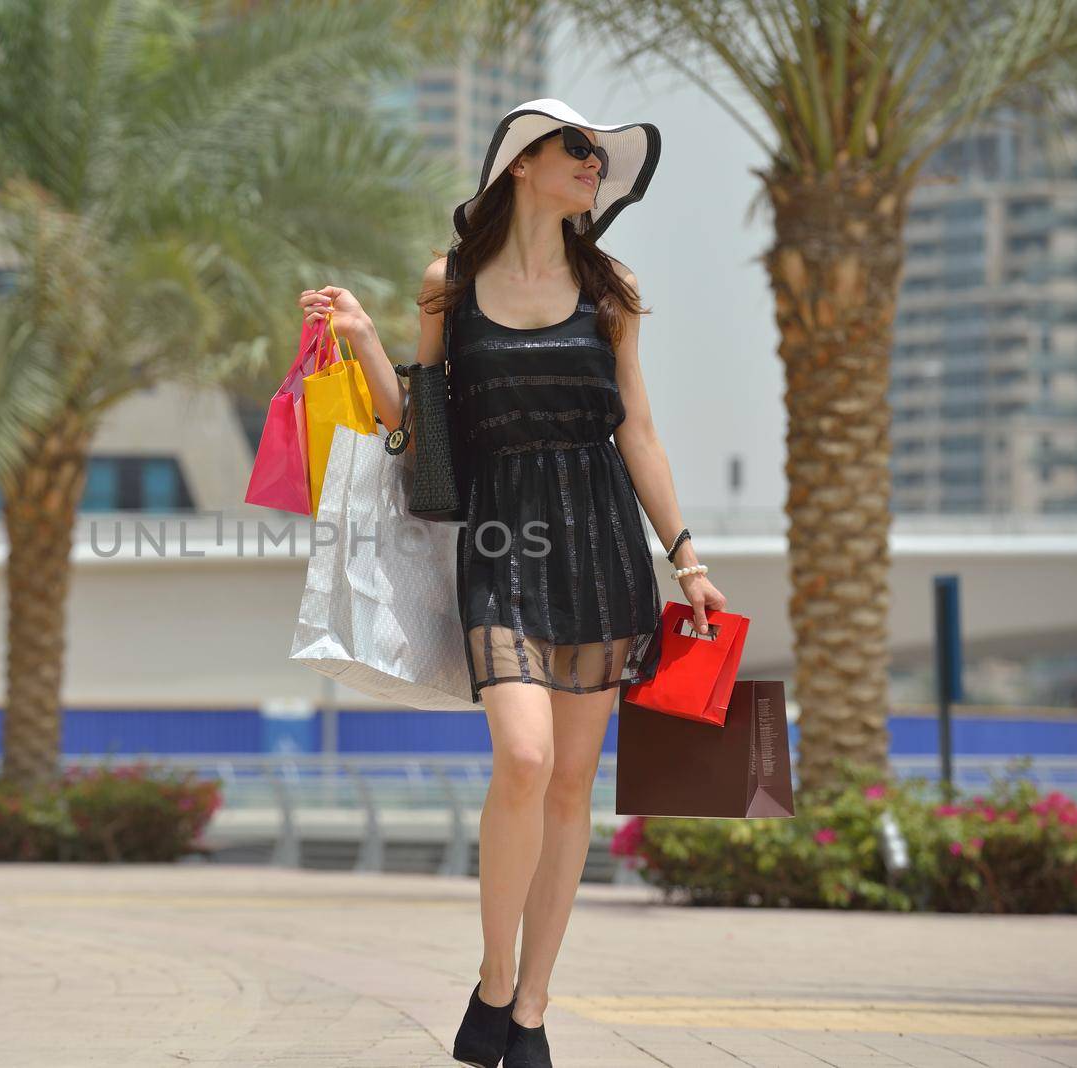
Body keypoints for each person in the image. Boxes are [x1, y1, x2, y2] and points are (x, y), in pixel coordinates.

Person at [300, 99, 724, 1067]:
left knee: (572, 783)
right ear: (522, 165)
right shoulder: (448, 281)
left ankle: (528, 1010)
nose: (591, 168)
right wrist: (366, 338)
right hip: (501, 541)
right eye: (578, 151)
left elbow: (639, 433)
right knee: (525, 761)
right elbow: (424, 420)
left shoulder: (609, 288)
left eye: (599, 159)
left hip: (602, 543)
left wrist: (686, 558)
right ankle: (493, 978)